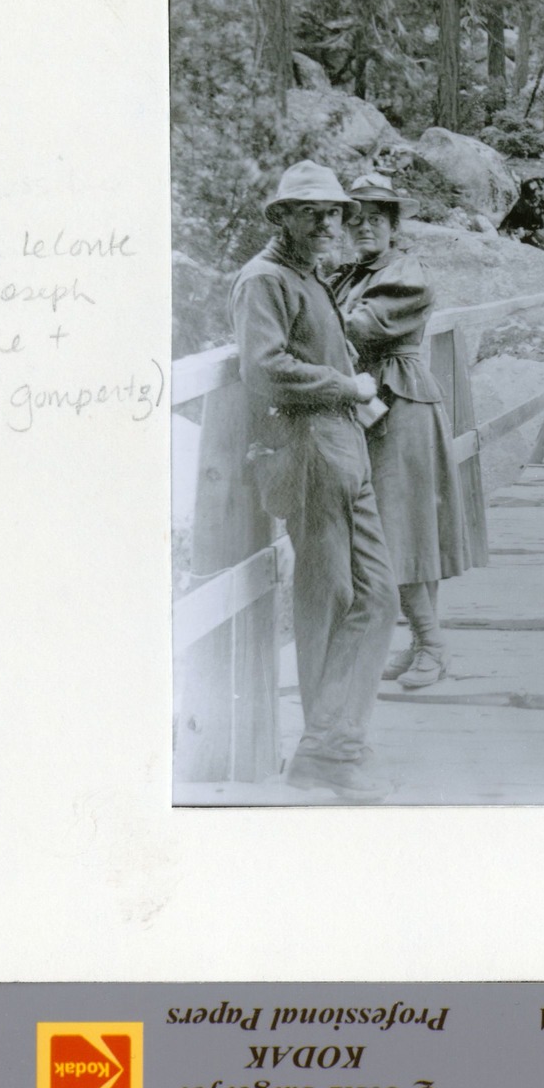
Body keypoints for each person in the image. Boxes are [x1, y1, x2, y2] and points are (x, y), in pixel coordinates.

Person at [231, 160, 397, 799]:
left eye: (334, 212)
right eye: (312, 212)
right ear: (283, 218)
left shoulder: (308, 274)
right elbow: (265, 368)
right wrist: (346, 386)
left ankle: (337, 737)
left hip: (343, 448)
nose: (328, 222)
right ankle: (327, 754)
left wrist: (356, 397)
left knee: (378, 596)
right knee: (327, 601)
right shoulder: (264, 279)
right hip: (305, 453)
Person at [326, 172, 474, 693]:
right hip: (377, 403)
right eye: (354, 219)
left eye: (375, 219)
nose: (363, 228)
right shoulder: (353, 274)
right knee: (406, 525)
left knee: (399, 527)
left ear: (393, 226)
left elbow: (357, 327)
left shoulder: (404, 271)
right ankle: (420, 644)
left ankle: (432, 644)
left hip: (401, 401)